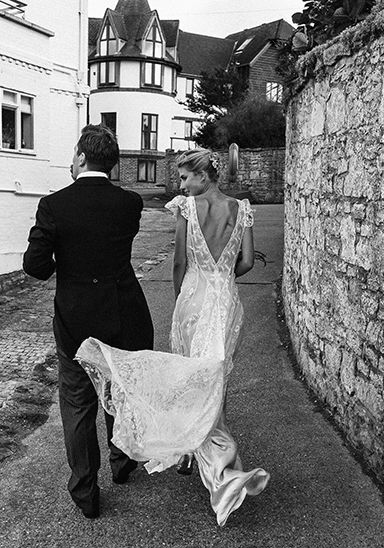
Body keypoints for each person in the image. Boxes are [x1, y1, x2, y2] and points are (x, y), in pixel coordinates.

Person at [76, 149, 269, 526]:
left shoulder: (186, 208)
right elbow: (245, 261)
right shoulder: (241, 208)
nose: (180, 186)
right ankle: (195, 453)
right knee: (215, 379)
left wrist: (181, 294)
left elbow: (179, 261)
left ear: (203, 175)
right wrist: (224, 279)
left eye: (184, 178)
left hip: (192, 300)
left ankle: (220, 471)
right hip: (225, 301)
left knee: (190, 378)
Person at [22, 124, 154, 519]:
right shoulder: (130, 203)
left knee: (79, 403)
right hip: (124, 312)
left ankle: (85, 492)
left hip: (76, 319)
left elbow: (35, 267)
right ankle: (122, 461)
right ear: (112, 162)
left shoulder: (54, 205)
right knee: (118, 390)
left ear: (80, 156)